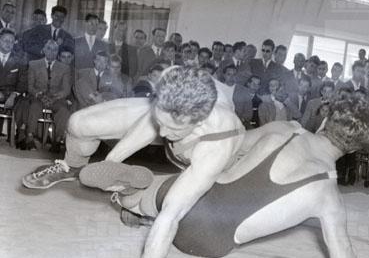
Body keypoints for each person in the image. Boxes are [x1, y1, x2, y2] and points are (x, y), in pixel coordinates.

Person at [78, 98, 369, 258]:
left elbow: (233, 147)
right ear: (354, 150)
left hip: (196, 199)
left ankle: (130, 195)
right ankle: (142, 208)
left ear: (324, 121)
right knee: (180, 199)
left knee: (158, 193)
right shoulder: (329, 197)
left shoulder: (286, 129)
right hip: (211, 243)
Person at [22, 66, 246, 191]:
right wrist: (109, 166)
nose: (163, 132)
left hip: (201, 141)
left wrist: (110, 167)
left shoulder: (221, 127)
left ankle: (138, 192)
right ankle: (72, 166)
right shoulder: (173, 77)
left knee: (188, 188)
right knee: (79, 123)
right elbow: (148, 125)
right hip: (178, 116)